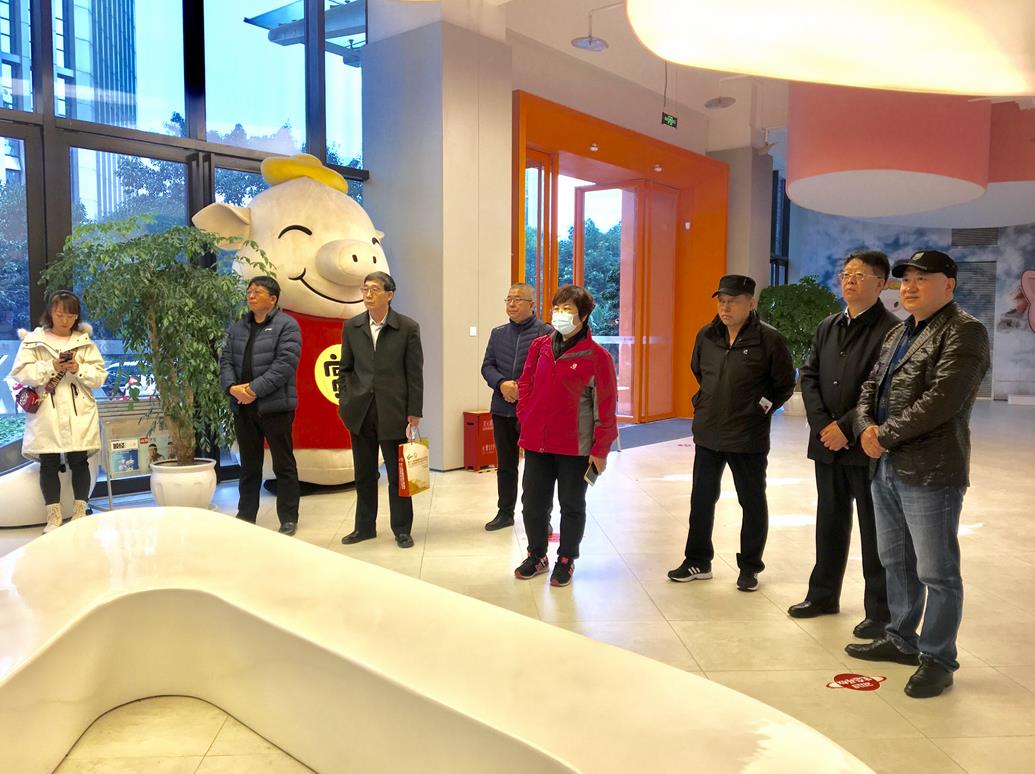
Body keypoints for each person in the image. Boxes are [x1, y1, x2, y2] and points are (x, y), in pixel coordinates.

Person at [846, 250, 989, 699]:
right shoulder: (899, 331)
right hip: (885, 463)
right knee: (896, 561)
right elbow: (870, 386)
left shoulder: (965, 330)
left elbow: (943, 400)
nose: (909, 286)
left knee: (937, 571)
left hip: (932, 469)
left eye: (921, 279)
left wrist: (883, 435)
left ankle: (938, 659)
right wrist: (865, 427)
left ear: (949, 285)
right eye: (906, 279)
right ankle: (902, 639)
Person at [789, 250, 899, 639]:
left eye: (859, 275)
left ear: (880, 284)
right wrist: (824, 426)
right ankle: (822, 596)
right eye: (846, 273)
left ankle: (880, 612)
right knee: (829, 522)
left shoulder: (892, 331)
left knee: (874, 530)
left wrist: (846, 428)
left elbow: (885, 390)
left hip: (866, 444)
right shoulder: (828, 326)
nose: (849, 280)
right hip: (827, 443)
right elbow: (810, 376)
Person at [668, 275, 795, 591]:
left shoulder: (769, 340)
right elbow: (699, 371)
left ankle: (750, 567)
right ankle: (697, 561)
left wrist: (759, 409)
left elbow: (783, 385)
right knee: (701, 500)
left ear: (750, 303)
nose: (725, 308)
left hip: (747, 436)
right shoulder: (707, 335)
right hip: (708, 432)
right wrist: (706, 402)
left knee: (751, 502)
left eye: (733, 302)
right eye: (721, 301)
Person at [513, 285, 617, 587]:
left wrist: (600, 450)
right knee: (533, 503)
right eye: (557, 309)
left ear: (583, 316)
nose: (560, 315)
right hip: (537, 443)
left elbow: (606, 407)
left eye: (567, 309)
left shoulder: (597, 357)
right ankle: (536, 555)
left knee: (571, 504)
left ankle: (566, 558)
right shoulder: (540, 347)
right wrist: (526, 417)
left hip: (575, 447)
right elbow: (525, 383)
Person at [338, 271, 424, 549]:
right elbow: (345, 369)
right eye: (365, 289)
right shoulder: (352, 327)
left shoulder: (407, 327)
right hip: (360, 410)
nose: (368, 294)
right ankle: (364, 527)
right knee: (364, 474)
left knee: (399, 475)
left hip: (394, 410)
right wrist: (345, 401)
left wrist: (414, 410)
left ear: (390, 294)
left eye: (374, 289)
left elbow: (414, 373)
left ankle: (402, 529)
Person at [9, 290, 107, 532]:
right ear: (50, 313)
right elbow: (21, 374)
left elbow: (99, 377)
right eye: (60, 314)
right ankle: (53, 517)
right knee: (48, 462)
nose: (65, 319)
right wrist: (51, 366)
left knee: (79, 460)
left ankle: (80, 512)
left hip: (78, 410)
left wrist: (77, 368)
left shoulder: (85, 342)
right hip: (47, 410)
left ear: (77, 316)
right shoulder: (34, 341)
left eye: (70, 315)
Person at [219, 276, 303, 536]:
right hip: (243, 407)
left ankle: (288, 518)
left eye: (257, 292)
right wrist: (232, 388)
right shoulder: (238, 327)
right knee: (249, 465)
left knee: (283, 464)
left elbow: (285, 365)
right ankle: (246, 515)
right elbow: (225, 361)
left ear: (273, 299)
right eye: (249, 291)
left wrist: (253, 390)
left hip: (275, 407)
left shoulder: (287, 326)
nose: (251, 295)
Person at [480, 282, 552, 531]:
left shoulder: (546, 333)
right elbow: (487, 366)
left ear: (532, 305)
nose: (511, 304)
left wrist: (522, 389)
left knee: (537, 469)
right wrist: (502, 384)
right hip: (502, 409)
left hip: (532, 412)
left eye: (518, 299)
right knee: (506, 466)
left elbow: (549, 371)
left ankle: (541, 518)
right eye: (508, 299)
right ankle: (505, 512)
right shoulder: (498, 333)